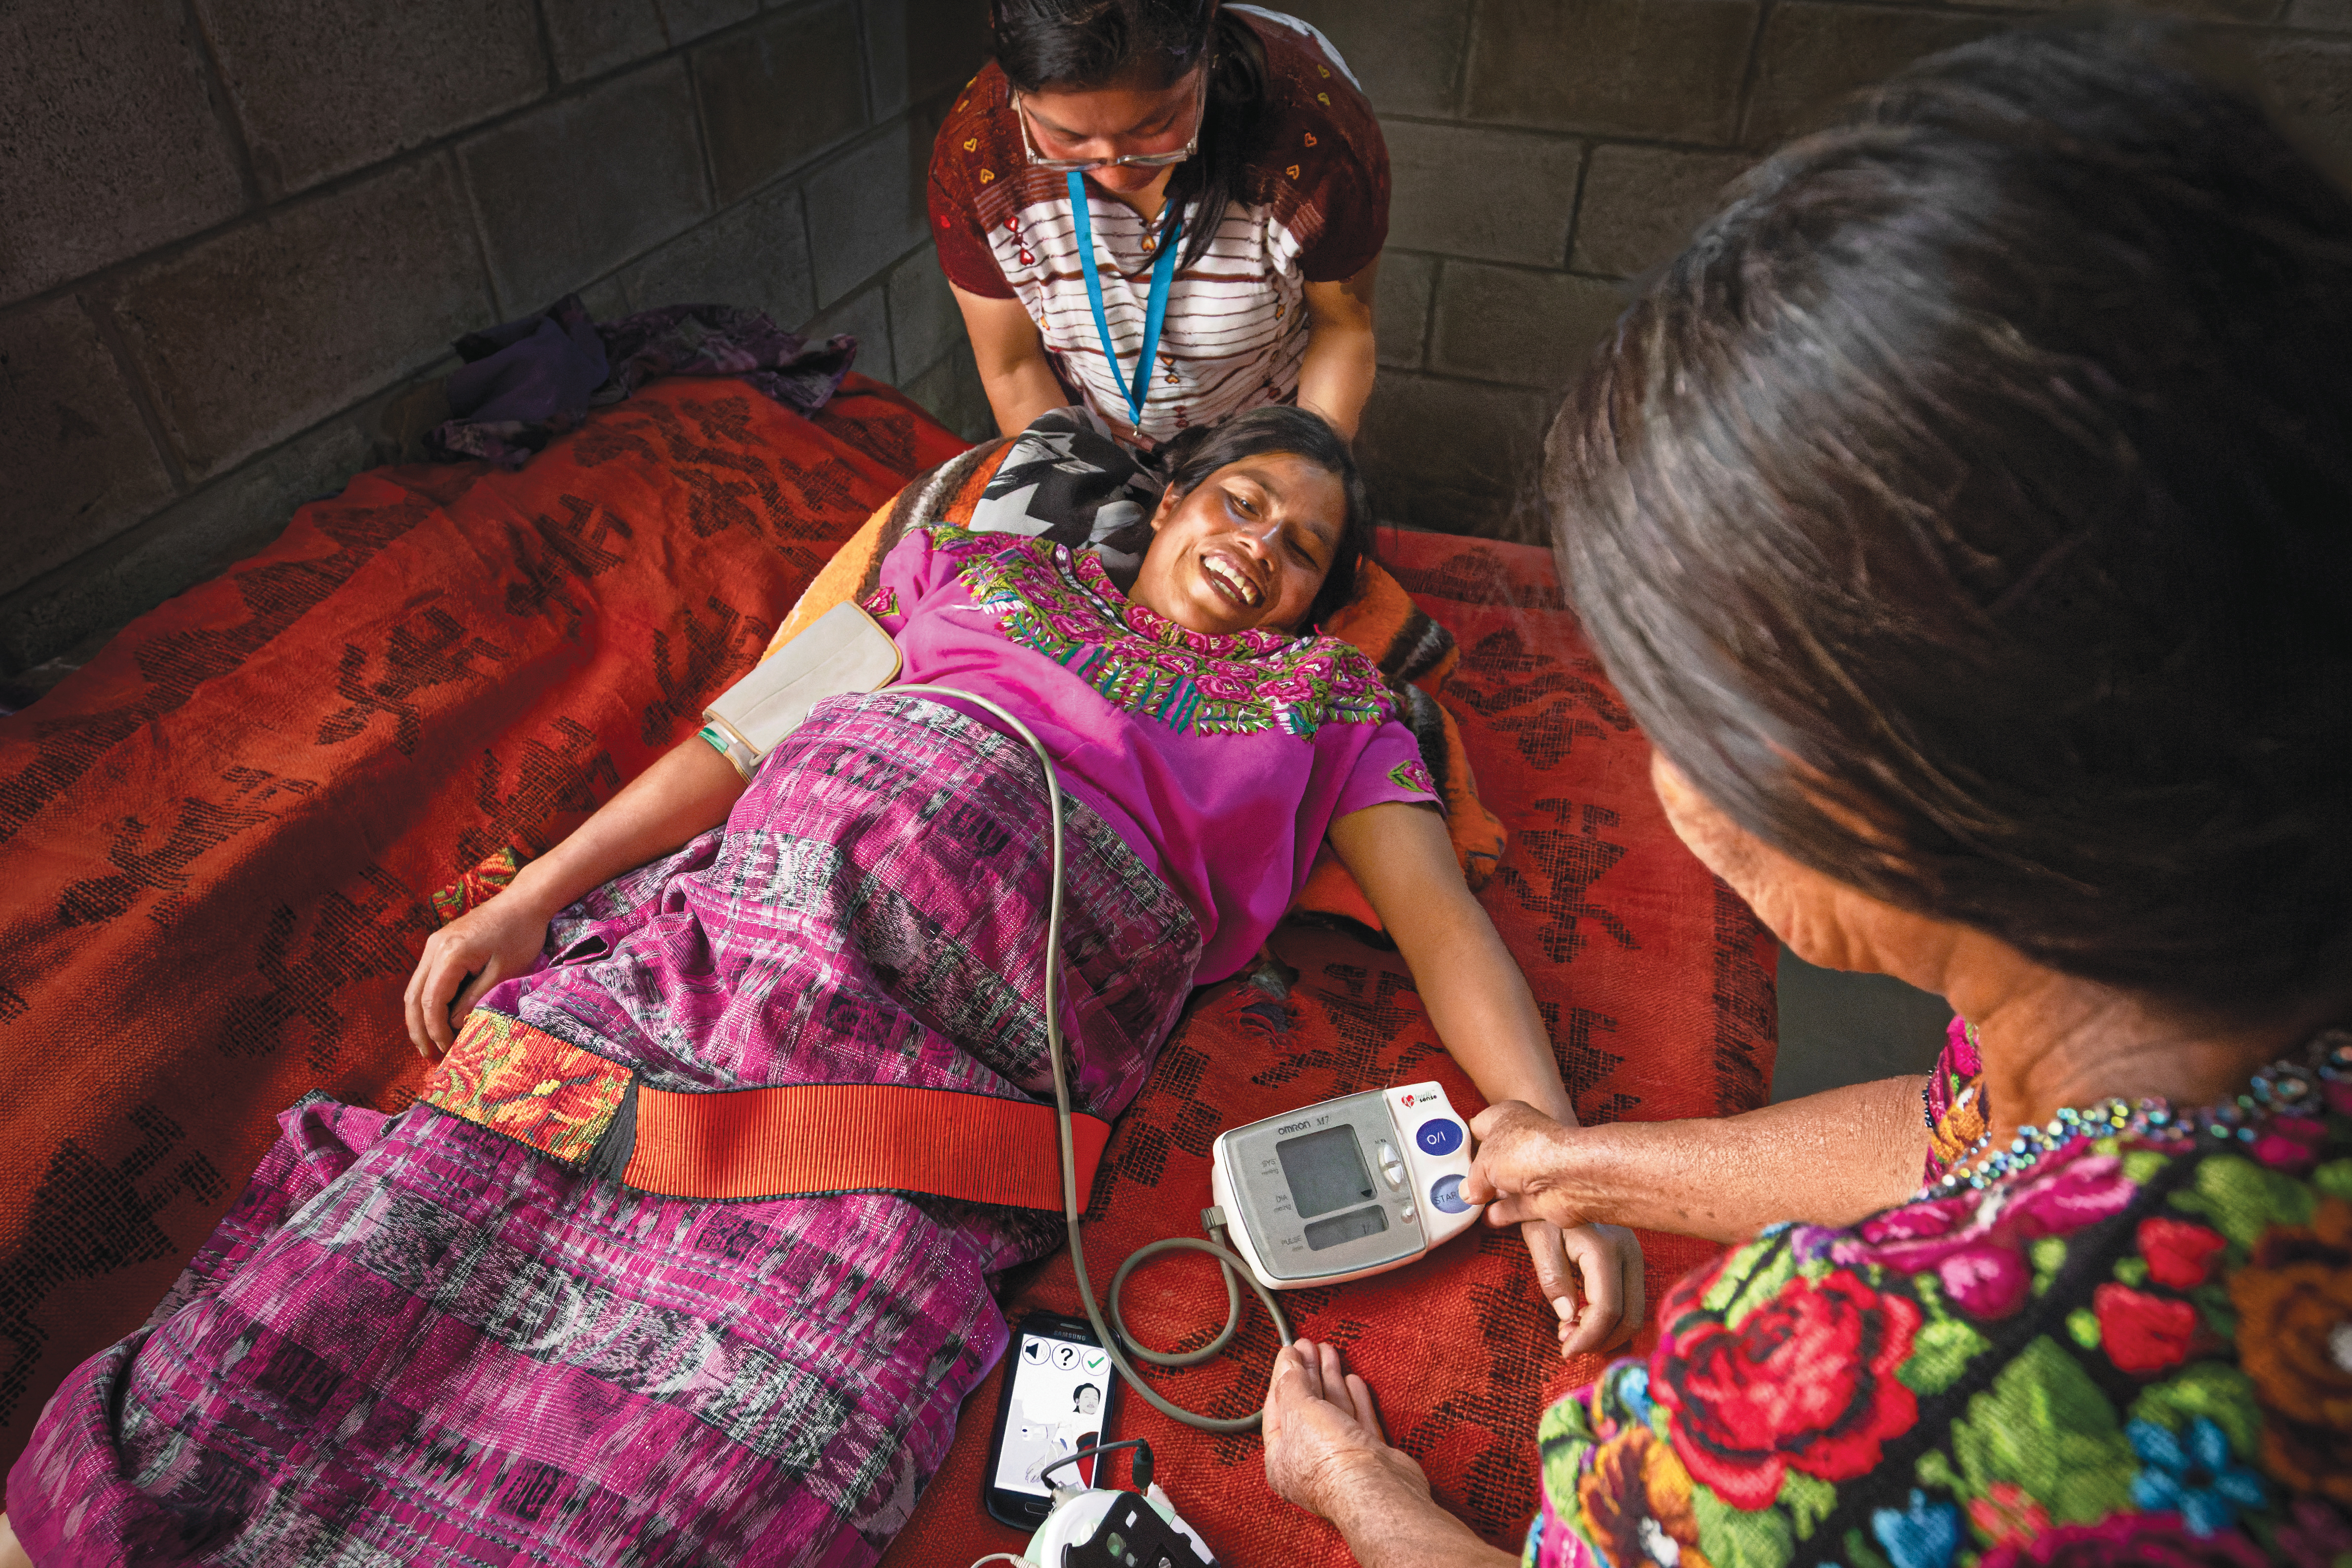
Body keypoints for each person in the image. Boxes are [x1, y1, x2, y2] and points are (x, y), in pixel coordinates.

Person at [0, 408, 1636, 1567]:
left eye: (1299, 545)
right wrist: (530, 893)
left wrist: (1549, 1146)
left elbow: (1447, 933)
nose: (1257, 548)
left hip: (935, 1089)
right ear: (1173, 500)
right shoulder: (975, 583)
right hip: (699, 968)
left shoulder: (1324, 704)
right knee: (344, 1296)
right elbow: (737, 738)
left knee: (741, 1434)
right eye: (1240, 502)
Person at [1253, 20, 2352, 1568]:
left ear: (1866, 786)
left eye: (1669, 710)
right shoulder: (2188, 961)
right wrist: (1576, 1162)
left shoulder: (1848, 1404)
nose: (1654, 766)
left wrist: (1359, 1494)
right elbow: (1977, 1134)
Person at [929, 1, 1386, 447]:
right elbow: (1013, 366)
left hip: (1271, 432)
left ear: (1205, 40)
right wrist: (1071, 495)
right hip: (1088, 433)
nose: (1115, 172)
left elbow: (1342, 328)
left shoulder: (1310, 131)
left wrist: (1293, 476)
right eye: (1068, 137)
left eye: (1153, 126)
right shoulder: (976, 151)